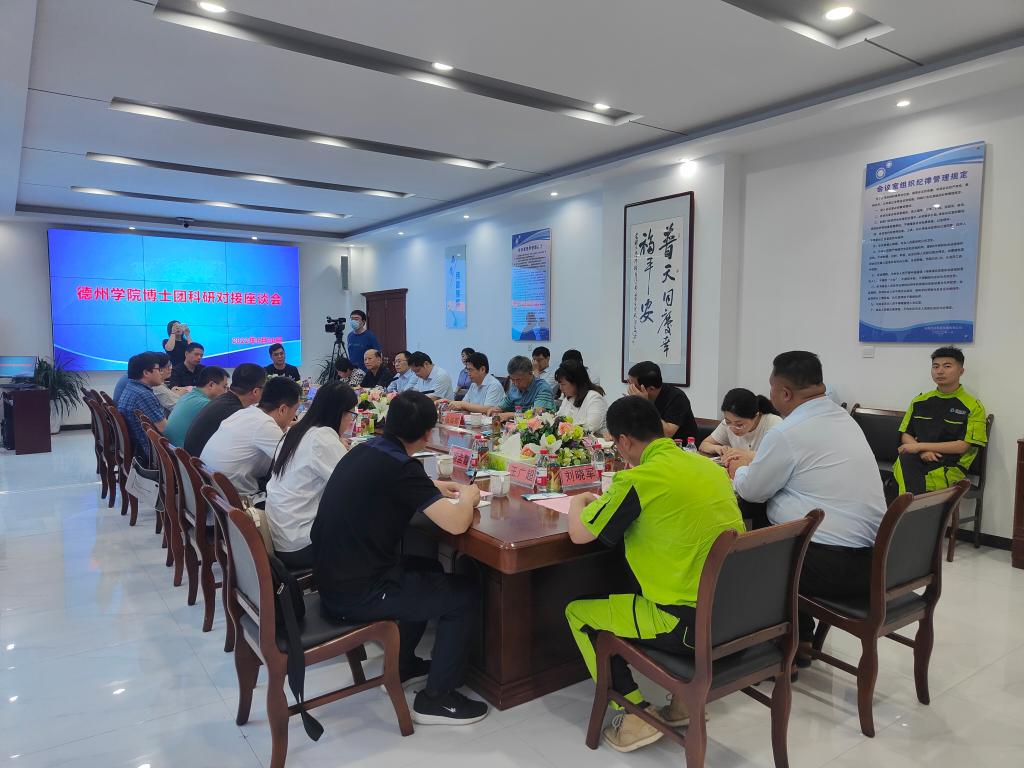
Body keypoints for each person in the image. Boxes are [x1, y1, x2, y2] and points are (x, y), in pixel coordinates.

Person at [565, 396, 744, 752]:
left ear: (624, 440)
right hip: (736, 614)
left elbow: (580, 535)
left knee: (578, 613)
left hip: (686, 625)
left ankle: (634, 713)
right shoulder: (709, 468)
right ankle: (683, 704)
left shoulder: (639, 479)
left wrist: (577, 502)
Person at [311, 391, 489, 725]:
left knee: (429, 567)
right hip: (358, 593)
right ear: (427, 434)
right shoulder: (402, 467)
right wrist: (468, 496)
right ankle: (438, 698)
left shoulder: (367, 449)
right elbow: (456, 523)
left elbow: (392, 483)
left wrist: (432, 486)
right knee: (464, 595)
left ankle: (402, 665)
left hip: (333, 578)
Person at [727, 351, 886, 663]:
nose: (769, 394)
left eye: (771, 387)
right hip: (875, 560)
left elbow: (753, 490)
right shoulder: (845, 419)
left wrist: (739, 469)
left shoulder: (786, 432)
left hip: (830, 566)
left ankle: (773, 647)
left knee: (747, 553)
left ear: (785, 393)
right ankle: (799, 639)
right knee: (781, 526)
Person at [265, 381, 356, 569]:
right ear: (340, 412)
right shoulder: (322, 438)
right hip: (301, 545)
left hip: (282, 534)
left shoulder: (296, 431)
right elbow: (353, 486)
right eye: (351, 414)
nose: (351, 420)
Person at [893, 346, 987, 495]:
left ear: (961, 371)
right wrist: (923, 451)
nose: (940, 371)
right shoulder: (919, 401)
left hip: (950, 465)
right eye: (935, 366)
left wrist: (919, 447)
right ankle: (914, 506)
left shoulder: (973, 406)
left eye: (947, 366)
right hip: (918, 458)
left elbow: (962, 446)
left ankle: (910, 505)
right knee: (905, 459)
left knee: (908, 470)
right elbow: (906, 434)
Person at [200, 377, 301, 497]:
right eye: (296, 410)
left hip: (211, 492)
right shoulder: (265, 425)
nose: (294, 415)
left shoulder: (245, 412)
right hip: (235, 500)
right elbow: (295, 462)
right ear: (283, 409)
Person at [184, 363, 266, 456]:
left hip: (190, 460)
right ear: (256, 391)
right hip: (200, 462)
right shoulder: (236, 413)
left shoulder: (222, 400)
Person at [699, 388, 783, 461]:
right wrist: (718, 448)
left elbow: (778, 457)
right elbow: (704, 445)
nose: (733, 428)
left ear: (755, 416)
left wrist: (745, 454)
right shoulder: (728, 423)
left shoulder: (773, 423)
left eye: (739, 425)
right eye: (728, 421)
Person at [116, 351, 167, 462]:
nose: (161, 373)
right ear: (146, 373)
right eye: (158, 369)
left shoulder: (131, 387)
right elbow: (165, 429)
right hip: (150, 453)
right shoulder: (143, 395)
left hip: (139, 448)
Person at [627, 361, 697, 441]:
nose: (630, 389)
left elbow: (667, 434)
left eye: (634, 386)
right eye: (629, 383)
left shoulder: (677, 398)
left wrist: (645, 405)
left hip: (680, 446)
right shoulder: (638, 399)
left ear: (651, 389)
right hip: (651, 444)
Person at [164, 366, 229, 447]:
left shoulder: (188, 395)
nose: (226, 392)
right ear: (211, 385)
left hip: (171, 448)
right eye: (224, 387)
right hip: (183, 452)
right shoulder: (206, 404)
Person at [554, 360, 608, 434]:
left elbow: (590, 428)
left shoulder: (594, 398)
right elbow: (558, 419)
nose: (560, 388)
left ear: (577, 382)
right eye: (559, 384)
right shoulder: (568, 398)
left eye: (563, 384)